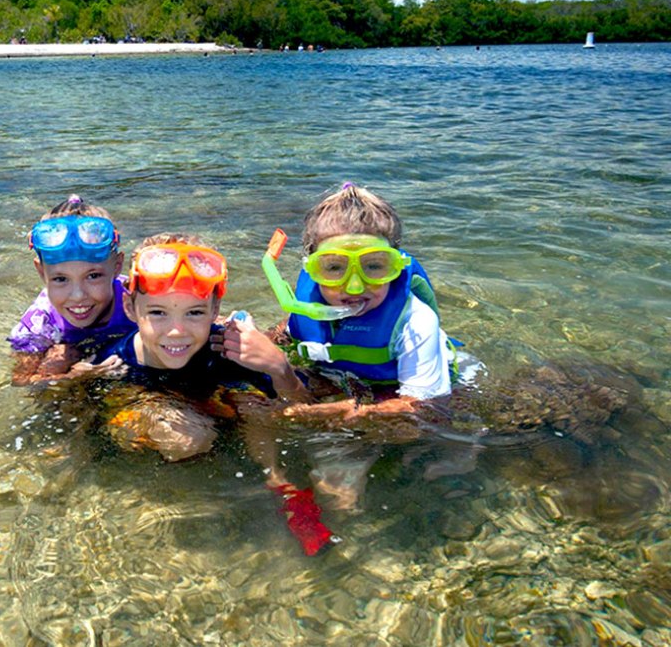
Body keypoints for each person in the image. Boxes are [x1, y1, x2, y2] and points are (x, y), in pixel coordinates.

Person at [218, 181, 456, 510]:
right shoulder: (307, 303)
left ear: (396, 265)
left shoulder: (415, 322)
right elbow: (290, 334)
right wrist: (252, 339)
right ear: (313, 269)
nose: (354, 285)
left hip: (399, 394)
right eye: (334, 268)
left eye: (374, 266)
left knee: (341, 494)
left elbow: (426, 409)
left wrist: (325, 411)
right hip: (341, 382)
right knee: (245, 400)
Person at [94, 233, 305, 462]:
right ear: (130, 308)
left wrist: (279, 367)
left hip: (207, 411)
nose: (177, 331)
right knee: (185, 438)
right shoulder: (111, 362)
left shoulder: (226, 350)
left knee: (256, 407)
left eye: (194, 312)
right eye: (157, 312)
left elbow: (300, 410)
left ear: (215, 310)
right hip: (161, 414)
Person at [7, 195, 134, 385]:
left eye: (93, 276)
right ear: (42, 272)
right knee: (54, 360)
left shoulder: (135, 299)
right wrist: (75, 377)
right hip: (70, 355)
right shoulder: (40, 324)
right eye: (60, 279)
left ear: (117, 266)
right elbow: (21, 382)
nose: (78, 296)